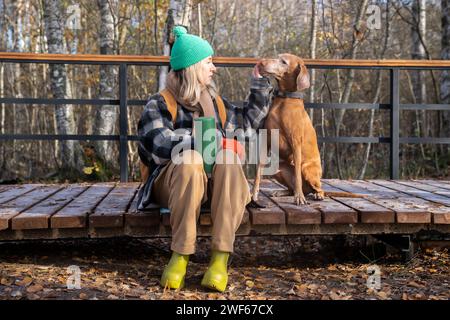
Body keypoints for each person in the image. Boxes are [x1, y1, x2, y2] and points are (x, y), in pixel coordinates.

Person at [136, 26, 273, 292]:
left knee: (229, 159)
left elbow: (246, 126)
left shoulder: (215, 102)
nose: (214, 68)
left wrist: (259, 85)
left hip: (216, 185)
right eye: (208, 62)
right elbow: (157, 144)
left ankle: (219, 260)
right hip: (174, 184)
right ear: (192, 66)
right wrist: (205, 139)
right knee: (189, 161)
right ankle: (180, 255)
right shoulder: (160, 103)